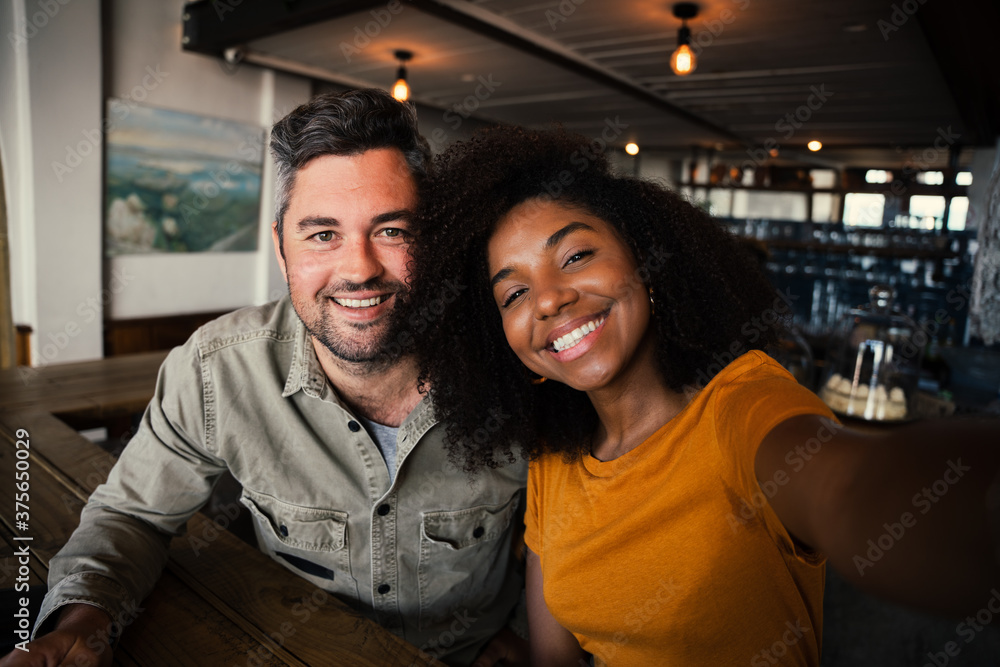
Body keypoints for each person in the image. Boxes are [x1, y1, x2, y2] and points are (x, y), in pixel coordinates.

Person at [410, 125, 1000, 665]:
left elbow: (851, 488)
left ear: (647, 263)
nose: (547, 300)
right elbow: (556, 660)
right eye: (512, 295)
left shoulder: (742, 407)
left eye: (576, 256)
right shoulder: (553, 458)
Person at [0, 90, 527, 667]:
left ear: (437, 241)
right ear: (281, 248)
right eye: (322, 234)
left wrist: (526, 634)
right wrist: (84, 621)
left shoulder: (518, 368)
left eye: (392, 231)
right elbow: (132, 515)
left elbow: (567, 535)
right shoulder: (216, 369)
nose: (358, 269)